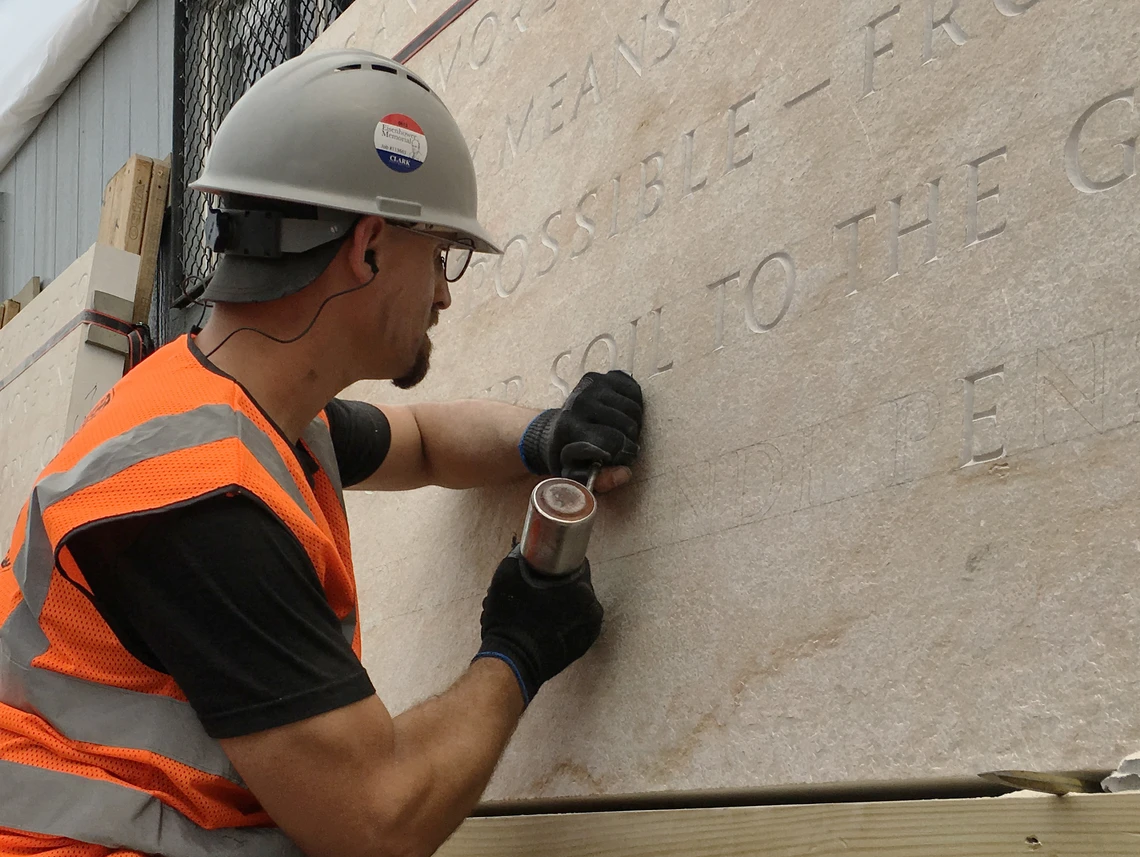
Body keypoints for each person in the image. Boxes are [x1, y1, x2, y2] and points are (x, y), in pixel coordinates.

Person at [0, 49, 643, 857]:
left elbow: (419, 441)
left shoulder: (225, 405)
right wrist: (518, 646)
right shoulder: (200, 506)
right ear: (369, 247)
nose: (444, 293)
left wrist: (546, 433)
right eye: (439, 255)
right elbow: (378, 822)